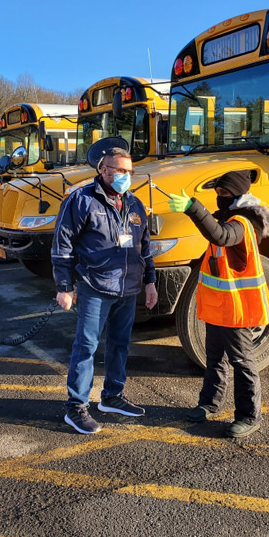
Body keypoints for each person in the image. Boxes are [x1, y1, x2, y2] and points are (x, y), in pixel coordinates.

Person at [52, 138, 158, 434]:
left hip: (128, 288)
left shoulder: (135, 204)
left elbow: (144, 248)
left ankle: (112, 396)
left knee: (120, 344)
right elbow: (62, 246)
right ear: (103, 168)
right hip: (94, 286)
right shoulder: (81, 199)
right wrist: (64, 287)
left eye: (130, 171)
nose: (126, 176)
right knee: (86, 346)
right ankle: (76, 407)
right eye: (120, 170)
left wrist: (150, 282)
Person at [168, 170, 269, 438]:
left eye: (225, 194)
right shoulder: (229, 216)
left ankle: (250, 416)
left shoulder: (242, 222)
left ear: (238, 194)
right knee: (214, 357)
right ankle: (209, 404)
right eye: (217, 194)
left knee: (242, 361)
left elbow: (222, 237)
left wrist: (193, 208)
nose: (220, 199)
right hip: (221, 307)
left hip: (238, 309)